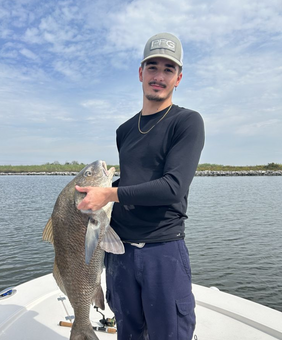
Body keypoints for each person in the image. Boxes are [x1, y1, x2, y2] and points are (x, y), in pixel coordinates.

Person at [76, 32, 205, 340]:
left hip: (163, 250)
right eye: (152, 67)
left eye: (168, 69)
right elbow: (137, 181)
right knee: (129, 333)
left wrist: (109, 193)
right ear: (140, 73)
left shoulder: (186, 122)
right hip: (119, 253)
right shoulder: (124, 130)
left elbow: (172, 187)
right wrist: (93, 195)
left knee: (169, 334)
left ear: (178, 78)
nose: (159, 76)